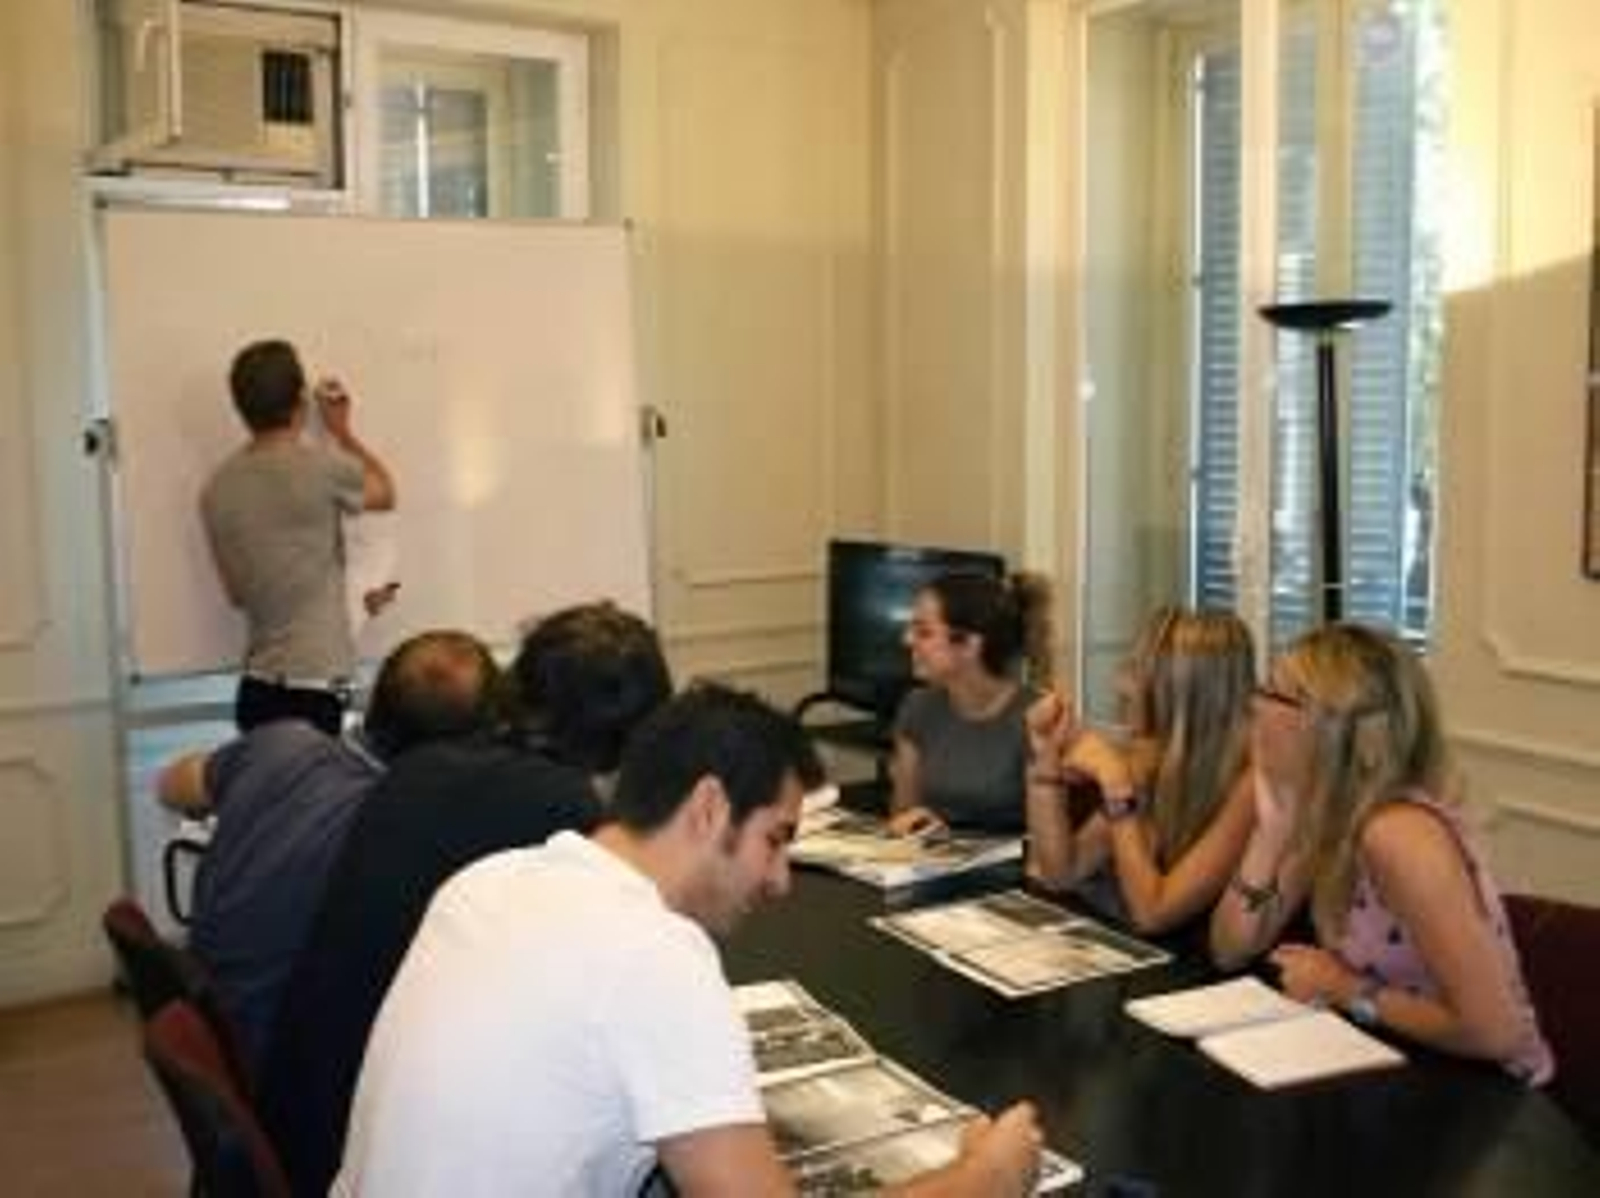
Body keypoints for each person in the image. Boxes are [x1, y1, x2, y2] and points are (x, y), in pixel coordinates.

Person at [336, 683, 1044, 1197]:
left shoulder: (491, 878)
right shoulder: (651, 952)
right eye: (775, 839)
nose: (779, 881)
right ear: (709, 808)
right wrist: (985, 1176)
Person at [259, 600, 673, 1196]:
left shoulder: (420, 769)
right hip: (367, 1145)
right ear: (636, 734)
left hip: (308, 1114)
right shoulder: (564, 815)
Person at [1210, 623, 1552, 1082]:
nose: (1254, 704)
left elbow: (1496, 1034)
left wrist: (1343, 987)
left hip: (1483, 1100)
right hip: (1389, 1063)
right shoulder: (1333, 818)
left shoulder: (1399, 836)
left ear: (1326, 727)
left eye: (1272, 692)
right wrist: (1272, 832)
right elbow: (1230, 949)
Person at [154, 629, 497, 1076]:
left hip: (215, 1023)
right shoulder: (397, 826)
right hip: (281, 1060)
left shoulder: (283, 741)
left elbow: (172, 785)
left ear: (376, 699)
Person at [201, 338, 397, 736]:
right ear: (300, 403)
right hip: (320, 685)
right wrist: (343, 432)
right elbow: (385, 491)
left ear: (241, 409)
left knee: (272, 799)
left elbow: (237, 594)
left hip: (256, 689)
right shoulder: (322, 468)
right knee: (324, 795)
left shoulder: (216, 490)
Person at [1024, 607, 1258, 936]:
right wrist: (1043, 768)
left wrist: (1116, 784)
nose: (1119, 684)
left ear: (1180, 692)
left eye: (1134, 671)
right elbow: (1060, 873)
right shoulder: (1149, 753)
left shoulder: (1249, 784)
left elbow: (1153, 913)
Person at [889, 570, 1053, 835]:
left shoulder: (1038, 716)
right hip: (930, 865)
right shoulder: (917, 708)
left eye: (923, 632)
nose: (907, 640)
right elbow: (902, 818)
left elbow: (1047, 843)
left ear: (970, 644)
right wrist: (914, 828)